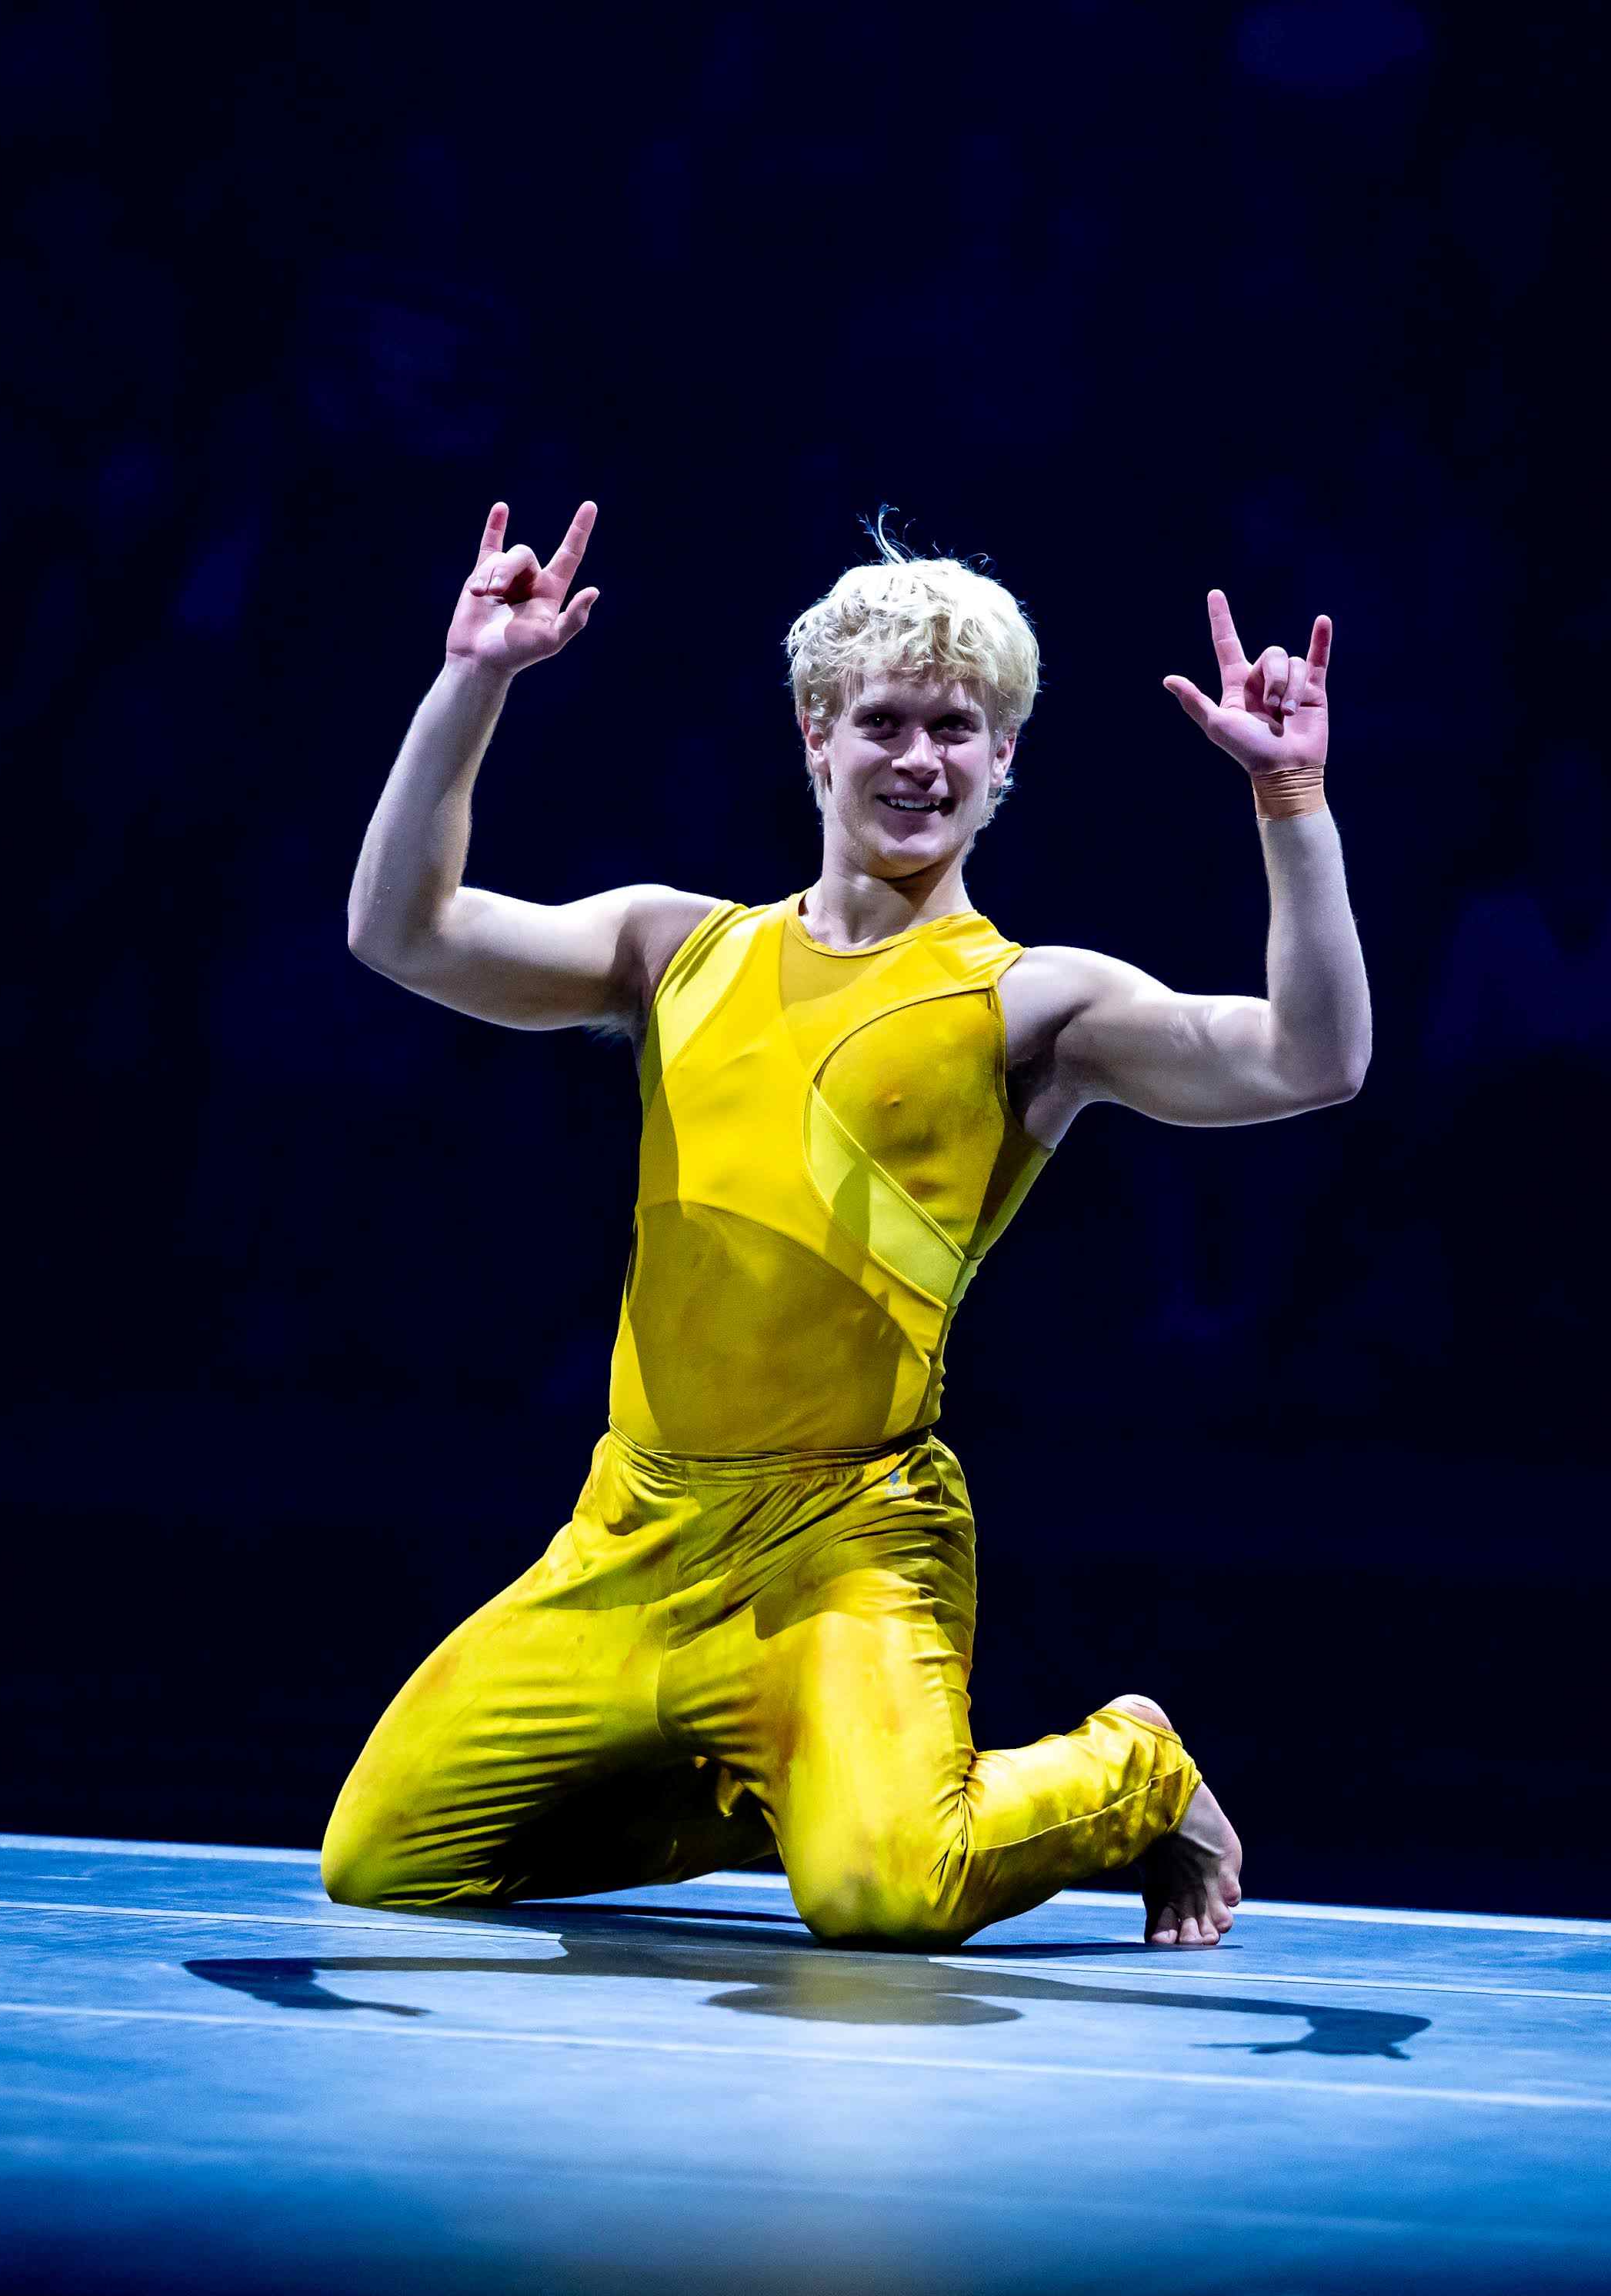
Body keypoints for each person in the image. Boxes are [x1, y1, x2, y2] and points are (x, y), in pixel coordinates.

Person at [324, 502, 1370, 1951]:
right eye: (884, 721)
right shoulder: (673, 946)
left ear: (1005, 762)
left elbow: (1311, 1061)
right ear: (816, 733)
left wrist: (1293, 806)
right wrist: (474, 679)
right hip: (632, 1535)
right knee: (383, 1861)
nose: (919, 759)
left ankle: (1137, 1765)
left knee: (885, 1896)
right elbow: (401, 931)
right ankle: (806, 1781)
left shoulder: (1032, 1003)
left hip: (846, 1544)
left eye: (958, 727)